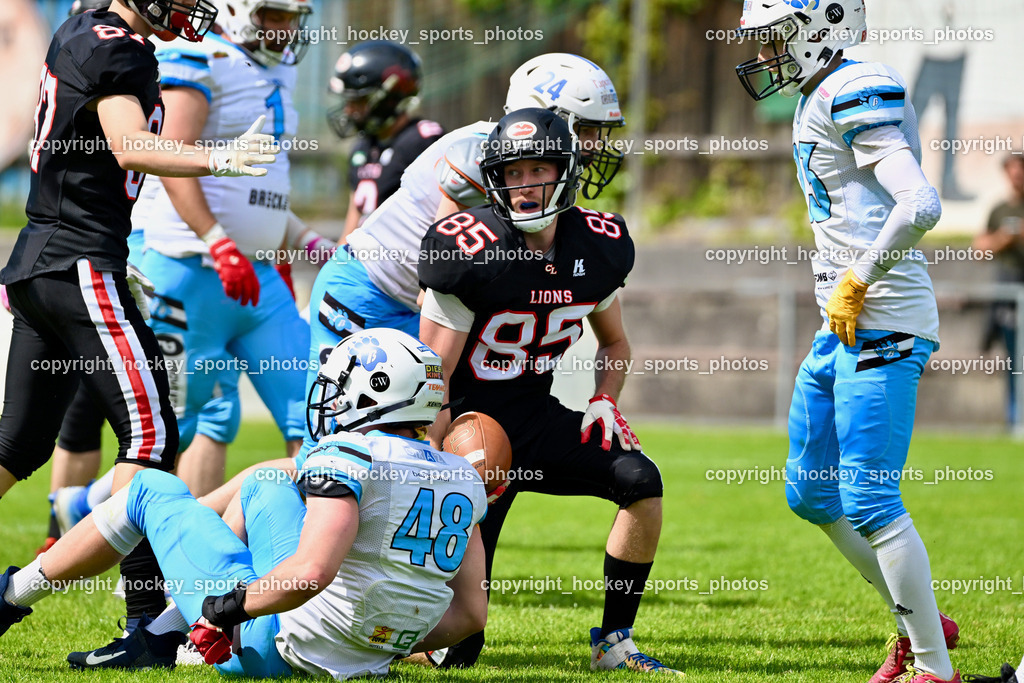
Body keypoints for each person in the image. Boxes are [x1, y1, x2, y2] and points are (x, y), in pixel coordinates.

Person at [0, 0, 278, 668]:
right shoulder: (116, 45)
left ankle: (141, 624)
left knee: (17, 445)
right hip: (79, 262)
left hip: (45, 260)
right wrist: (223, 159)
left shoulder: (79, 27)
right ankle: (145, 627)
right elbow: (130, 144)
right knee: (152, 437)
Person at [0, 328, 488, 677]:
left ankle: (9, 596)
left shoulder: (351, 454)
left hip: (275, 649)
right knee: (269, 482)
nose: (334, 400)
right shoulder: (463, 476)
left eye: (342, 388)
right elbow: (470, 616)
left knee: (151, 487)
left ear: (376, 391)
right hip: (361, 661)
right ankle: (159, 636)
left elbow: (312, 572)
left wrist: (223, 611)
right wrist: (374, 647)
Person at [735, 1, 959, 681]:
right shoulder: (818, 91)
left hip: (884, 316)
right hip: (841, 323)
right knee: (810, 491)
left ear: (821, 24)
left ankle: (933, 665)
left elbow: (920, 202)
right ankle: (914, 614)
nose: (769, 54)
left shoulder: (857, 81)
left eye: (778, 37)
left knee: (869, 499)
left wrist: (858, 279)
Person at [417, 107, 678, 675]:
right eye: (512, 172)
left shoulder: (597, 247)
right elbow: (432, 379)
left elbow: (615, 345)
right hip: (468, 428)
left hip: (535, 416)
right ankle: (363, 635)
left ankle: (614, 641)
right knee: (460, 644)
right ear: (494, 178)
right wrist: (436, 463)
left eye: (539, 168)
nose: (525, 184)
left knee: (642, 480)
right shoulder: (472, 249)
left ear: (566, 171)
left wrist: (604, 399)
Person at [300, 52, 627, 462]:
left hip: (417, 303)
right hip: (367, 292)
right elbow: (441, 263)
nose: (596, 147)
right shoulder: (478, 154)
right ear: (550, 116)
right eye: (590, 131)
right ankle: (229, 511)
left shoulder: (528, 168)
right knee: (335, 447)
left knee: (406, 451)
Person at [327, 40, 445, 243]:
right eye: (348, 101)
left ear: (390, 97)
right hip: (365, 262)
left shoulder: (423, 142)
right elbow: (352, 223)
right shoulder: (363, 147)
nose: (348, 110)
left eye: (358, 101)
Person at [973, 155, 1024, 427]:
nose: (1017, 176)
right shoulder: (999, 209)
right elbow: (979, 248)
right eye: (1013, 171)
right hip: (1007, 291)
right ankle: (1015, 419)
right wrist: (1002, 239)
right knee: (1014, 358)